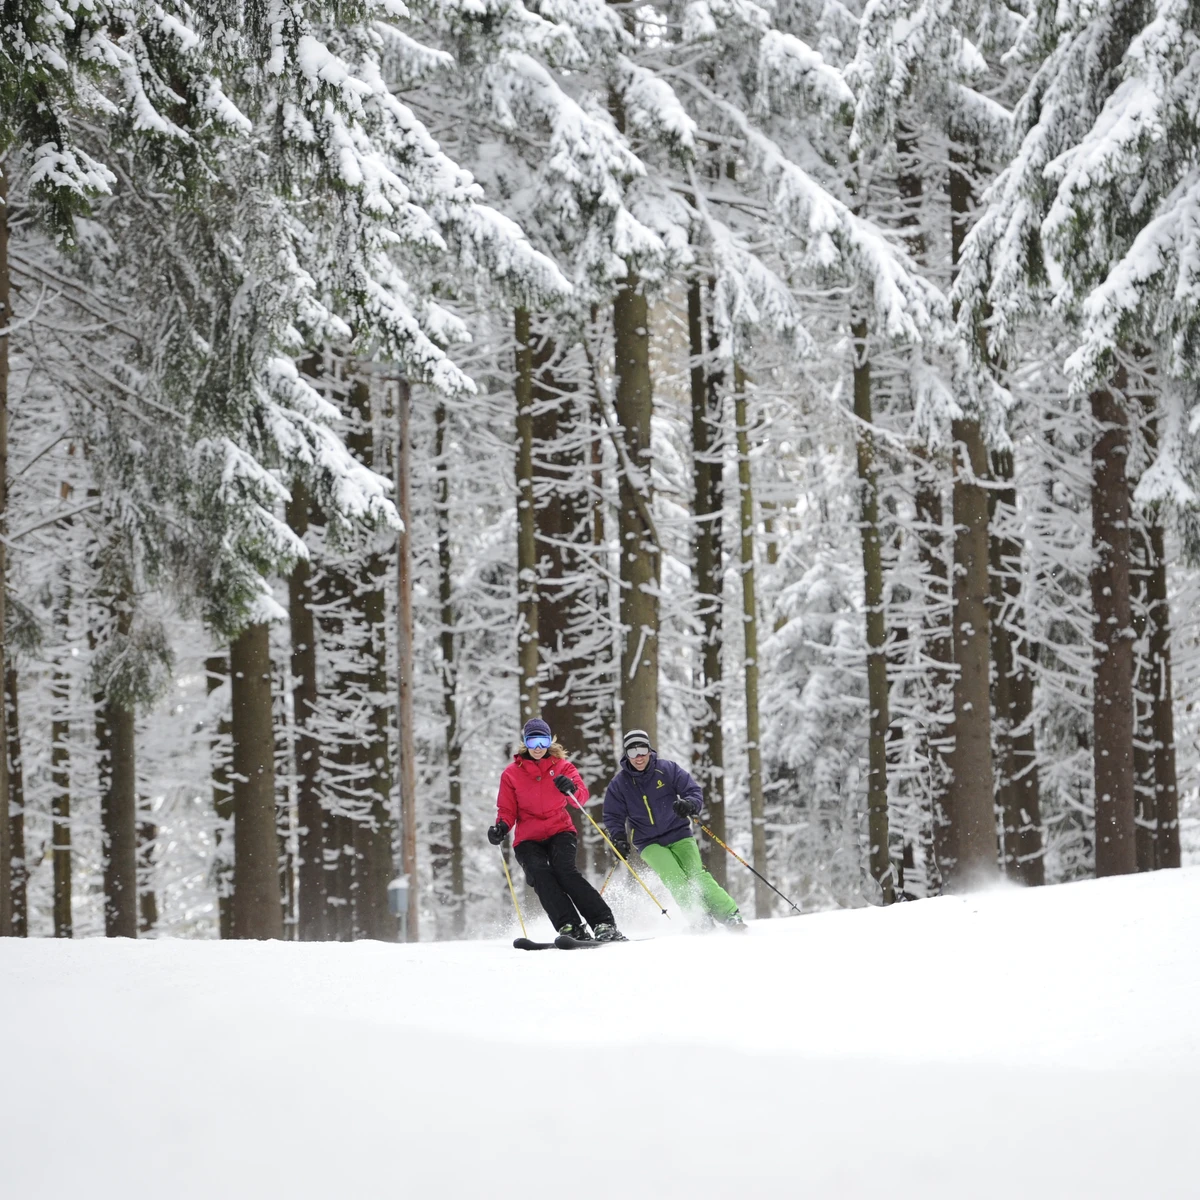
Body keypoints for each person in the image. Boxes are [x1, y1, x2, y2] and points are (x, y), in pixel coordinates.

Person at [488, 718, 626, 943]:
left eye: (542, 741)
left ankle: (603, 922)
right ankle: (569, 925)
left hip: (559, 831)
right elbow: (507, 809)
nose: (538, 747)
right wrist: (501, 827)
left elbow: (581, 797)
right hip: (528, 838)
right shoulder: (511, 774)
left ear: (550, 741)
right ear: (525, 743)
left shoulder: (563, 767)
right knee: (539, 874)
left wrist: (569, 788)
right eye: (533, 742)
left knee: (565, 871)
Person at [602, 729, 746, 930]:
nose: (638, 757)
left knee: (696, 875)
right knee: (674, 877)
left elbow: (692, 791)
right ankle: (700, 919)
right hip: (648, 842)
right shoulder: (619, 784)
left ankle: (730, 915)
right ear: (626, 755)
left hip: (679, 833)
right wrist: (618, 837)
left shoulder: (667, 770)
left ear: (650, 750)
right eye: (632, 752)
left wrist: (689, 804)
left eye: (642, 750)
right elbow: (613, 816)